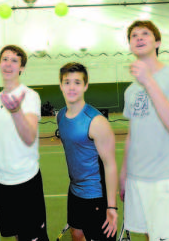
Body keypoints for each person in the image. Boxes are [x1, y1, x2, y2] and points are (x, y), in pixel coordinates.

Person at [120, 20, 169, 241]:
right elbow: (133, 133)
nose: (139, 37)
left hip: (166, 180)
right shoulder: (131, 90)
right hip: (137, 178)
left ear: (158, 42)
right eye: (134, 35)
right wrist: (125, 173)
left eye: (145, 33)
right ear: (130, 45)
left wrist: (148, 81)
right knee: (148, 236)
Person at [0, 45, 49, 241]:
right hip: (2, 181)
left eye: (14, 60)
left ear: (21, 67)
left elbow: (29, 137)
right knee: (16, 235)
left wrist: (16, 112)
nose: (8, 64)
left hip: (26, 180)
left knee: (33, 237)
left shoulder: (30, 96)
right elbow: (0, 140)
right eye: (5, 59)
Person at [57, 62, 118, 241]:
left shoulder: (97, 122)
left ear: (85, 86)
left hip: (96, 195)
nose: (72, 87)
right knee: (76, 233)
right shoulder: (60, 116)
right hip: (74, 191)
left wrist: (112, 207)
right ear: (61, 85)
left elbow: (110, 165)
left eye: (77, 82)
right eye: (67, 82)